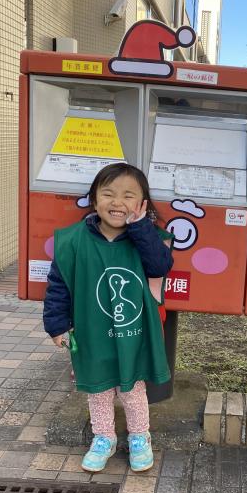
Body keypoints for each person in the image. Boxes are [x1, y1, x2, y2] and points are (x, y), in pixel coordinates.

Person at [43, 164, 174, 473]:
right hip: (92, 330)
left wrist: (141, 226)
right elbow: (58, 285)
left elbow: (160, 265)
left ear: (142, 203)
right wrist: (57, 325)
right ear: (94, 199)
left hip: (134, 330)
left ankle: (140, 437)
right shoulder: (73, 241)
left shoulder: (148, 238)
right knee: (98, 389)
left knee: (132, 388)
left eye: (129, 196)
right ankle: (103, 438)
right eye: (109, 194)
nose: (118, 203)